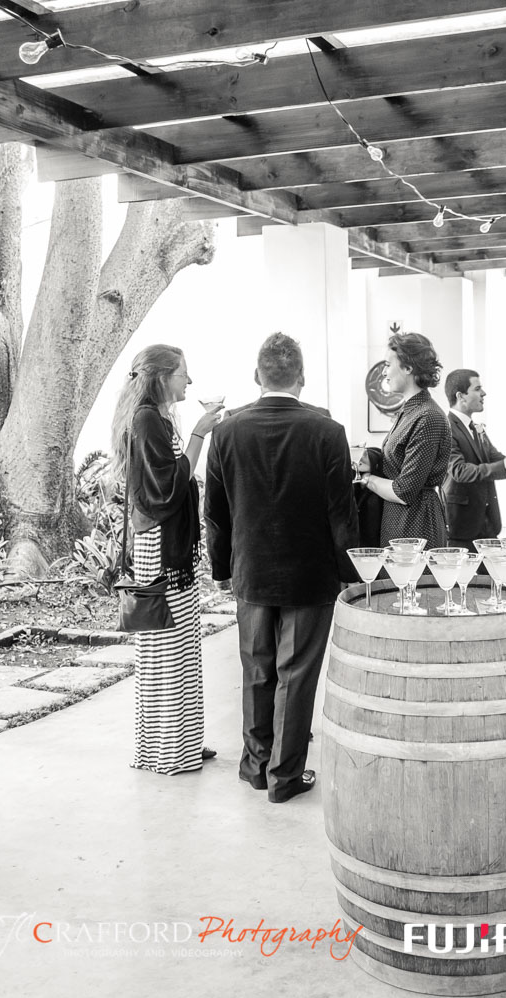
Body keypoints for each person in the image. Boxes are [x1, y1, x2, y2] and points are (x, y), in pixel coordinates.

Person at [204, 333, 359, 804]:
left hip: (250, 570)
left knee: (256, 668)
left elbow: (215, 511)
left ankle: (255, 766)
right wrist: (350, 572)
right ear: (302, 378)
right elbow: (341, 512)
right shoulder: (327, 431)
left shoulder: (226, 432)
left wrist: (221, 568)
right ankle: (284, 776)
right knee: (296, 675)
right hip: (311, 573)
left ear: (257, 376)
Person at [112, 344, 223, 774]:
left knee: (180, 646)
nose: (189, 381)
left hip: (167, 546)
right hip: (160, 547)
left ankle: (183, 742)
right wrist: (199, 434)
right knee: (167, 650)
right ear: (161, 377)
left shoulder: (155, 417)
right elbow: (168, 489)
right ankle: (168, 751)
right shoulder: (146, 419)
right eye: (182, 373)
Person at [359, 332, 451, 549]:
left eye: (388, 364)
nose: (383, 372)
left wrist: (366, 479)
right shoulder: (410, 411)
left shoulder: (428, 416)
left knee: (413, 573)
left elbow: (404, 491)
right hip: (399, 518)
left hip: (417, 521)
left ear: (408, 367)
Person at [440, 368, 506, 549]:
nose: (484, 393)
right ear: (461, 396)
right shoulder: (446, 427)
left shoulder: (476, 428)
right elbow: (459, 471)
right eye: (477, 388)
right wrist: (503, 467)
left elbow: (498, 460)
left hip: (487, 525)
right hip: (461, 528)